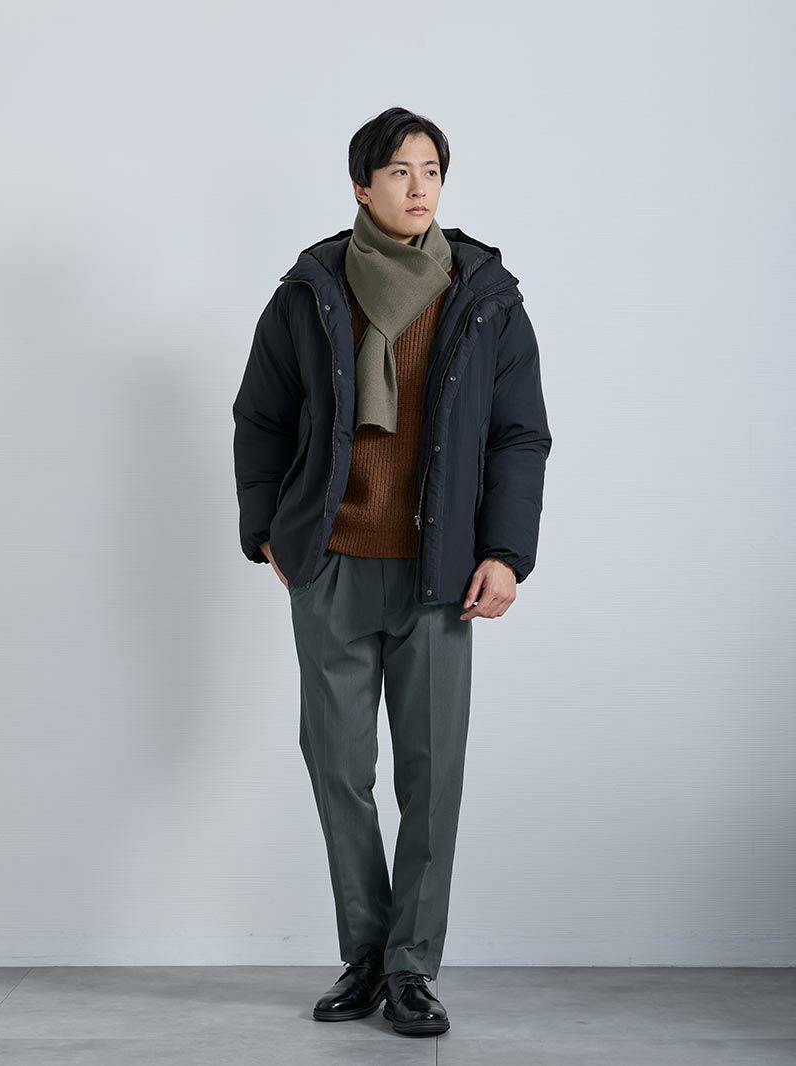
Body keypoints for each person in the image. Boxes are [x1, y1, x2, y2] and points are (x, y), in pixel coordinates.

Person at [232, 106, 552, 1038]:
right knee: (337, 768)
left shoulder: (485, 296)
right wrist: (269, 534)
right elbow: (260, 417)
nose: (419, 187)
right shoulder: (310, 292)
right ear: (361, 186)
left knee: (431, 775)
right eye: (400, 171)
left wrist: (505, 552)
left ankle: (413, 967)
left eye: (432, 170)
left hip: (439, 574)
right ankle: (367, 955)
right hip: (331, 564)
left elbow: (519, 435)